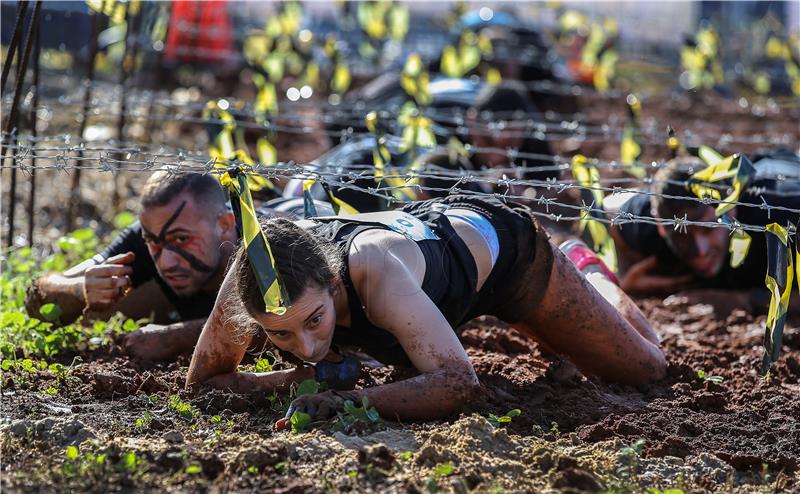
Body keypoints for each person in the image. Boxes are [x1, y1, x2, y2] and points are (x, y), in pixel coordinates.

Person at [186, 194, 666, 423]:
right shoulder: (252, 279)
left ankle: (586, 266)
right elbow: (203, 383)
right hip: (432, 277)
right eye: (281, 335)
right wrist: (292, 380)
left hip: (507, 258)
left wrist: (341, 401)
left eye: (314, 320)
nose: (307, 347)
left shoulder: (373, 271)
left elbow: (459, 381)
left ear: (333, 284)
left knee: (646, 366)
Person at [25, 170, 332, 360]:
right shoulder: (149, 238)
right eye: (153, 243)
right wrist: (79, 289)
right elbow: (37, 296)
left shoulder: (270, 246)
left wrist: (176, 336)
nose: (167, 260)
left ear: (225, 225)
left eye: (182, 239)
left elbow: (297, 325)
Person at [609, 150, 800, 312]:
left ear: (729, 209)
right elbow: (616, 225)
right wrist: (628, 279)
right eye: (682, 235)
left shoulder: (781, 216)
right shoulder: (647, 219)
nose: (700, 251)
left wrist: (740, 299)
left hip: (783, 170)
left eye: (709, 229)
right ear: (661, 228)